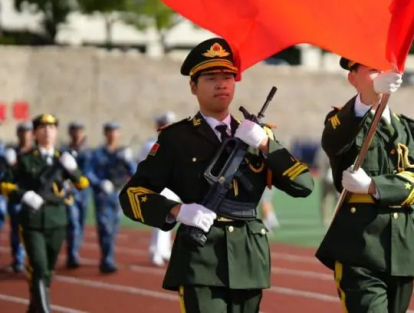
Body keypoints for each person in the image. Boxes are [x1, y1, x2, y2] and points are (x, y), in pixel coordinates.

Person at [119, 37, 314, 312]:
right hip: (200, 258)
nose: (221, 84)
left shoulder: (258, 135)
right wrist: (177, 210)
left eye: (227, 77)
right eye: (211, 78)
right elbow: (132, 194)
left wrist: (264, 144)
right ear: (193, 86)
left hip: (248, 259)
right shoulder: (176, 138)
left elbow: (303, 185)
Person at [316, 58, 414, 313]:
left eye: (386, 70)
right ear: (352, 78)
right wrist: (368, 98)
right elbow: (333, 141)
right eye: (373, 70)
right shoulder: (344, 121)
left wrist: (374, 186)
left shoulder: (413, 131)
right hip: (359, 247)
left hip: (402, 248)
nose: (382, 76)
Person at [10, 114, 89, 312]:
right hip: (32, 221)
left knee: (48, 271)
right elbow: (4, 183)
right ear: (35, 133)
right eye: (43, 127)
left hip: (57, 220)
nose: (47, 131)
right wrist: (24, 195)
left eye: (52, 127)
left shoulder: (62, 159)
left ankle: (33, 307)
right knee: (38, 267)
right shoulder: (25, 159)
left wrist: (73, 169)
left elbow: (82, 184)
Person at [88, 121, 137, 273]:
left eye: (115, 131)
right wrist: (100, 183)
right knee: (105, 228)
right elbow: (89, 172)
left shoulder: (123, 153)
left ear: (119, 134)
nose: (113, 135)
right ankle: (107, 260)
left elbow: (135, 173)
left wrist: (128, 160)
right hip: (103, 195)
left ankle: (107, 257)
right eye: (109, 131)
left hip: (118, 194)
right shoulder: (98, 153)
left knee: (114, 228)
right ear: (105, 134)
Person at [138, 111, 179, 267]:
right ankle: (155, 251)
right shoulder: (150, 145)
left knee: (169, 219)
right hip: (157, 187)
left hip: (172, 188)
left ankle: (164, 250)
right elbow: (140, 163)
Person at [62, 121, 92, 269]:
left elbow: (89, 172)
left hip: (83, 191)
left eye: (79, 130)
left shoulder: (88, 152)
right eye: (74, 130)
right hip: (69, 192)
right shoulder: (64, 151)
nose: (76, 133)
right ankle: (72, 254)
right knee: (73, 222)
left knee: (80, 222)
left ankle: (75, 250)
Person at [6, 121, 34, 272]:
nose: (25, 135)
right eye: (22, 132)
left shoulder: (37, 153)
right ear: (18, 134)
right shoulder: (11, 153)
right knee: (17, 229)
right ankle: (18, 260)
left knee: (35, 230)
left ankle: (34, 260)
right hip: (17, 197)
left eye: (27, 132)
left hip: (34, 198)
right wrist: (9, 164)